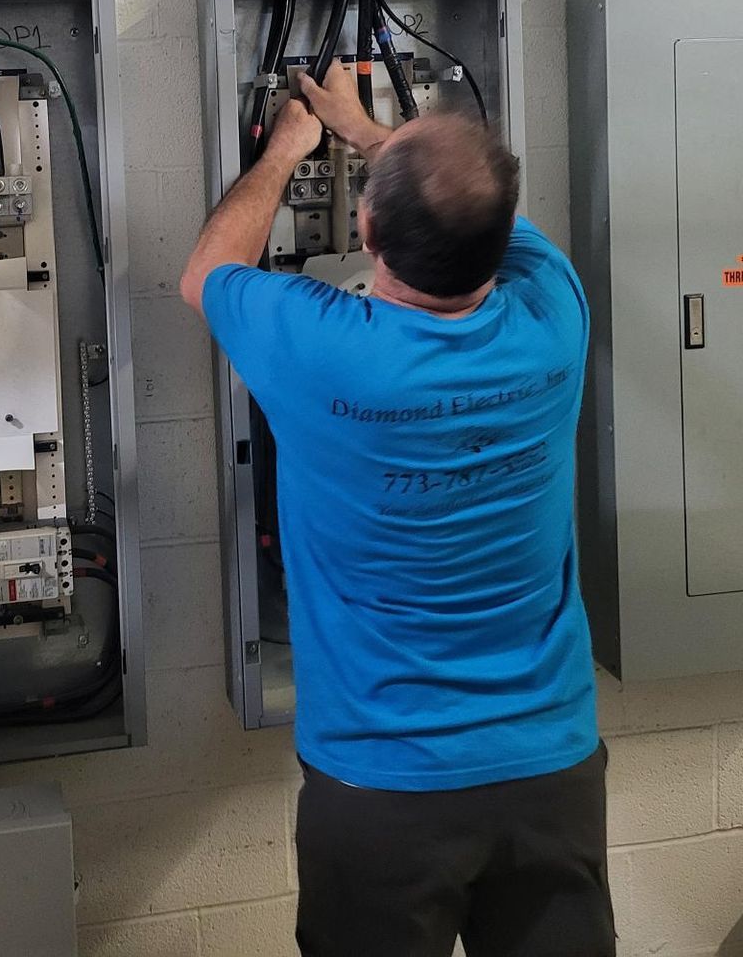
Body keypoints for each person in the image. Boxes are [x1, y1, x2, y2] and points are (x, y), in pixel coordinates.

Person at [179, 61, 613, 957]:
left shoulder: (324, 351)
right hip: (551, 768)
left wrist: (291, 147)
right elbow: (480, 210)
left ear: (367, 228)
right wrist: (371, 132)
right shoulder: (556, 314)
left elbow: (209, 271)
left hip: (382, 782)